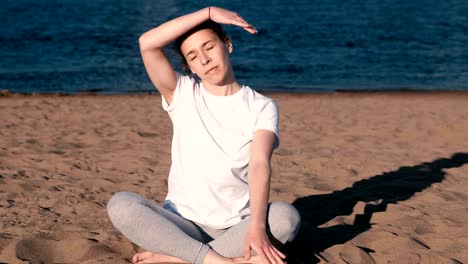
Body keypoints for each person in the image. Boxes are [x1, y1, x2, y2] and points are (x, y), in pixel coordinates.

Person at [107, 6, 301, 264]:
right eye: (193, 56)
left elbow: (259, 165)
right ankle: (219, 261)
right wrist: (208, 13)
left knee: (286, 218)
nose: (205, 59)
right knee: (121, 205)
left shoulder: (262, 106)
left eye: (209, 47)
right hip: (181, 224)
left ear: (227, 44)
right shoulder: (182, 93)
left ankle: (179, 257)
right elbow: (147, 43)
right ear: (189, 66)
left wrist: (256, 227)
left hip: (235, 227)